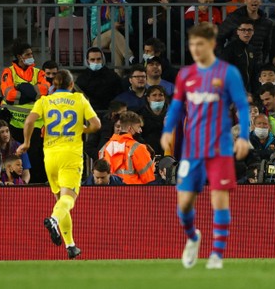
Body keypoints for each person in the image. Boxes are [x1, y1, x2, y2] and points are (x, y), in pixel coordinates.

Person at [160, 22, 250, 269]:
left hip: (220, 148)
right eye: (192, 45)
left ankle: (216, 255)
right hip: (192, 151)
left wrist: (243, 135)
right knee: (184, 204)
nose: (195, 49)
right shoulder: (185, 74)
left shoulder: (227, 73)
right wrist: (168, 131)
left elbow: (242, 106)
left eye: (200, 44)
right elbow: (177, 107)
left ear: (211, 44)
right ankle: (193, 237)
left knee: (219, 200)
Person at [18, 69, 101, 259]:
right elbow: (96, 125)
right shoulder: (79, 99)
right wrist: (83, 128)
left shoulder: (44, 101)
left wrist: (27, 143)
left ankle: (70, 245)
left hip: (50, 157)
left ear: (53, 86)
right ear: (71, 85)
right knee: (68, 200)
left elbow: (29, 121)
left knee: (60, 201)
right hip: (70, 156)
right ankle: (54, 220)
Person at [0, 39, 49, 183]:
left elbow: (44, 91)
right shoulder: (8, 72)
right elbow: (8, 94)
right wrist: (31, 93)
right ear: (20, 57)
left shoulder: (39, 73)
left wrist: (20, 88)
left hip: (35, 124)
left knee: (34, 157)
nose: (31, 56)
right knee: (13, 157)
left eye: (31, 54)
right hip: (14, 124)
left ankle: (34, 183)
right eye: (28, 54)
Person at [99, 111, 155, 185]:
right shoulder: (138, 148)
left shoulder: (106, 147)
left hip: (111, 193)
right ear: (130, 129)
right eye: (138, 127)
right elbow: (149, 179)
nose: (140, 130)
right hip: (134, 193)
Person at [90, 0, 133, 69]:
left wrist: (124, 26)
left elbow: (130, 30)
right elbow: (94, 30)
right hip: (99, 40)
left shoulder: (126, 6)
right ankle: (130, 57)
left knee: (114, 45)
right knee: (113, 32)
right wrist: (111, 25)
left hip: (119, 39)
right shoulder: (98, 5)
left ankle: (118, 75)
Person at [219, 19, 255, 90]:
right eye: (243, 30)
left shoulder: (251, 49)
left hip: (247, 90)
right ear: (238, 31)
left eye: (249, 30)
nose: (247, 33)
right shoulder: (230, 48)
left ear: (253, 32)